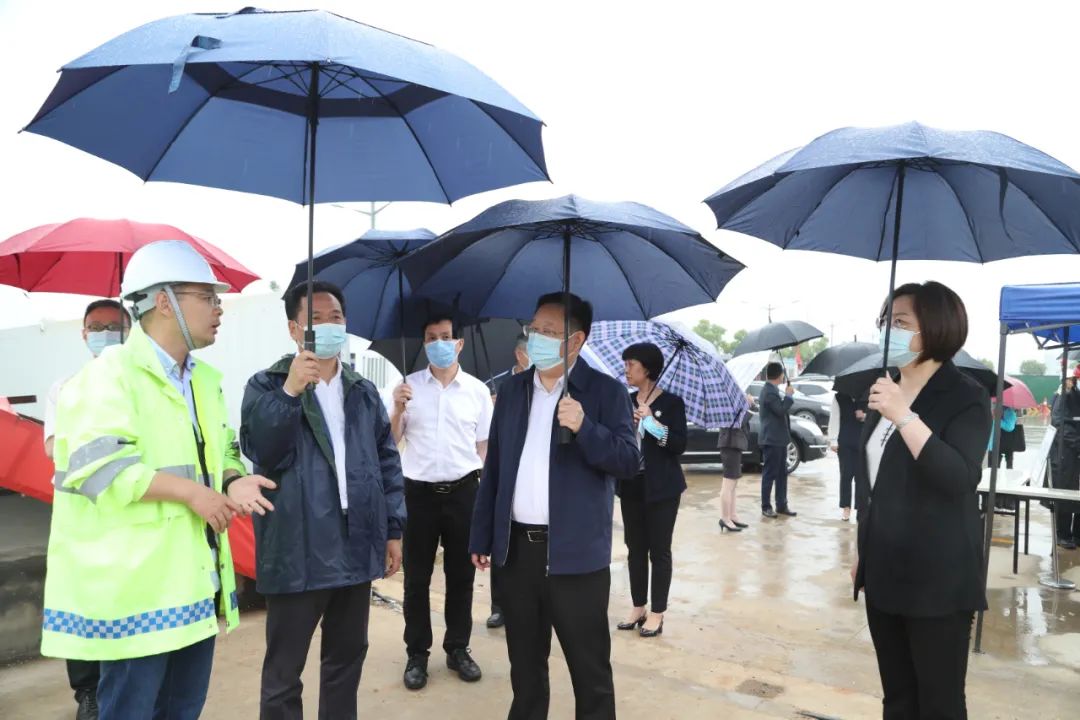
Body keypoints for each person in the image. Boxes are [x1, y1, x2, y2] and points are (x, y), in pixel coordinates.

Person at [42, 240, 275, 720]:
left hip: (192, 586)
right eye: (207, 297)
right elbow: (99, 469)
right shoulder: (107, 377)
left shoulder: (203, 380)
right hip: (136, 594)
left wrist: (232, 480)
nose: (218, 309)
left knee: (182, 710)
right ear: (165, 301)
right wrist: (193, 494)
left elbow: (222, 448)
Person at [240, 280, 406, 719]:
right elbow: (262, 449)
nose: (329, 326)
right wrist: (290, 392)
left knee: (345, 662)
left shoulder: (362, 391)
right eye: (316, 319)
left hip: (355, 544)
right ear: (294, 329)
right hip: (298, 549)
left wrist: (393, 529)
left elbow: (387, 464)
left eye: (336, 317)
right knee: (284, 671)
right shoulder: (267, 384)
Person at [469, 291, 639, 720]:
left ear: (576, 340)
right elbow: (495, 469)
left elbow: (628, 461)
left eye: (548, 331)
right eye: (534, 329)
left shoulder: (605, 393)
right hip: (517, 554)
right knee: (525, 668)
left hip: (576, 558)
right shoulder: (512, 391)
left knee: (589, 669)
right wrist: (483, 535)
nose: (536, 338)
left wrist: (585, 427)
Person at [853, 281, 991, 719]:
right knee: (897, 698)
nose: (886, 331)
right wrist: (863, 548)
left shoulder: (966, 396)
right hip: (884, 570)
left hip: (938, 581)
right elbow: (871, 482)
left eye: (899, 322)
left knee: (939, 703)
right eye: (884, 321)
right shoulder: (883, 388)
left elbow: (959, 478)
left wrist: (904, 415)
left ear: (935, 327)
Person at [390, 314, 493, 690]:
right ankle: (417, 653)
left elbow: (484, 447)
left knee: (462, 577)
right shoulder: (408, 387)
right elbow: (391, 441)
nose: (439, 343)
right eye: (431, 337)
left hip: (464, 493)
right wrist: (398, 409)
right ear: (424, 343)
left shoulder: (477, 391)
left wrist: (483, 495)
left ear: (459, 343)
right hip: (418, 495)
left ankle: (458, 648)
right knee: (416, 579)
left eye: (446, 336)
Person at [41, 298, 131, 720]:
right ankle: (88, 694)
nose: (105, 334)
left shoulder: (139, 384)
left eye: (114, 326)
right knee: (83, 609)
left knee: (123, 607)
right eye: (97, 327)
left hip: (131, 514)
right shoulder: (67, 387)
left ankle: (120, 690)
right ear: (83, 334)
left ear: (130, 332)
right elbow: (53, 448)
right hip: (83, 520)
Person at [615, 342, 687, 638]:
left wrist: (652, 423)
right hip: (631, 484)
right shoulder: (626, 400)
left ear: (646, 368)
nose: (626, 370)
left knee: (659, 550)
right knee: (635, 549)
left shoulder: (672, 403)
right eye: (625, 364)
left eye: (631, 364)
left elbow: (678, 445)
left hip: (662, 488)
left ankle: (657, 612)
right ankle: (638, 606)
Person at [486, 333, 530, 629]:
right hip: (502, 470)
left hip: (528, 473)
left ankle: (523, 605)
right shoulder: (499, 384)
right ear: (519, 354)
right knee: (501, 540)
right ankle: (498, 606)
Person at [759, 362, 797, 518]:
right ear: (780, 375)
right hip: (772, 439)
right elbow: (780, 410)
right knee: (770, 474)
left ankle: (782, 505)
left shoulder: (772, 390)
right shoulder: (769, 392)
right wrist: (788, 396)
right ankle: (766, 506)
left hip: (779, 440)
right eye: (783, 374)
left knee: (782, 474)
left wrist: (786, 395)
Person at [1049, 377, 1080, 549]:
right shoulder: (1064, 396)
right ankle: (1063, 534)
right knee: (1066, 494)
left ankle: (1077, 534)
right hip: (1066, 455)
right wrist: (1078, 442)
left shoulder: (1075, 395)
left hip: (1074, 453)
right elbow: (1059, 424)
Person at [828, 391, 867, 522]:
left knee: (861, 477)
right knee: (846, 475)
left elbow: (877, 416)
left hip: (863, 442)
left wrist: (864, 416)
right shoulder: (839, 397)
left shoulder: (867, 396)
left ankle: (860, 508)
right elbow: (834, 418)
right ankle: (846, 507)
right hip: (845, 442)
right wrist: (833, 440)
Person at [718, 393, 753, 532]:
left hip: (733, 445)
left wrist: (747, 404)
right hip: (730, 444)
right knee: (728, 483)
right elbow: (737, 423)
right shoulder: (725, 398)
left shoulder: (730, 397)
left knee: (733, 484)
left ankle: (732, 516)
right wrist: (747, 405)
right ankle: (725, 518)